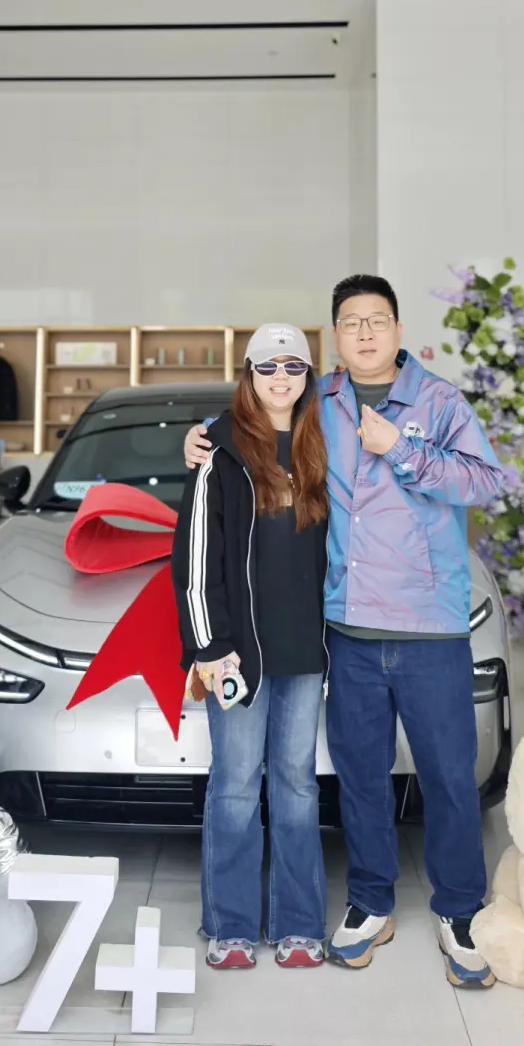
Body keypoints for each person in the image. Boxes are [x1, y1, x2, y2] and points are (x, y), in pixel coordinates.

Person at [185, 276, 503, 987]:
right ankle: (371, 901)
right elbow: (257, 415)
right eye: (351, 322)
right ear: (335, 335)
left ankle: (459, 909)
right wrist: (200, 435)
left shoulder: (441, 402)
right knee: (360, 777)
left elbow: (485, 483)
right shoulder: (319, 403)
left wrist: (402, 449)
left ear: (397, 330)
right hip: (347, 627)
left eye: (377, 320)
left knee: (449, 778)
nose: (364, 333)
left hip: (427, 626)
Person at [172, 323, 330, 972]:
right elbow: (194, 560)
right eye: (268, 365)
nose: (280, 376)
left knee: (297, 786)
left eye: (293, 365)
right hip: (238, 653)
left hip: (306, 652)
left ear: (308, 375)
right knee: (236, 785)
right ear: (249, 373)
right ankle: (231, 924)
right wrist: (208, 646)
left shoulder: (326, 444)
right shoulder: (221, 450)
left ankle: (299, 924)